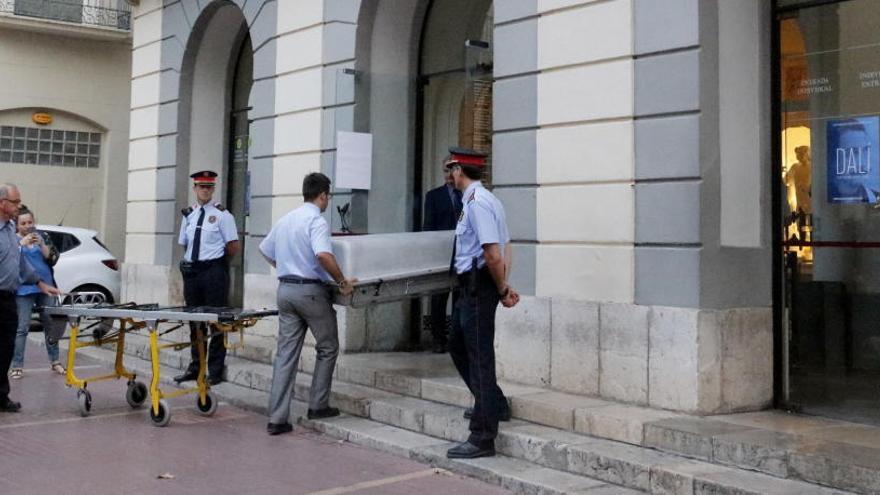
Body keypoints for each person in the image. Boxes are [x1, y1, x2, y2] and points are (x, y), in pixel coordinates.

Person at [260, 172, 356, 436]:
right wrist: (341, 281)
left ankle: (277, 419)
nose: (327, 200)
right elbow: (323, 254)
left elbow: (265, 250)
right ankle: (318, 404)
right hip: (310, 293)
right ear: (323, 195)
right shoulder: (316, 221)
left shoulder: (286, 219)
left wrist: (287, 268)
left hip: (286, 290)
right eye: (328, 196)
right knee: (327, 346)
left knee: (286, 355)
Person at [445, 148, 520, 459]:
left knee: (478, 357)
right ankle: (494, 403)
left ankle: (482, 435)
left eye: (451, 168)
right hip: (472, 286)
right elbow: (506, 245)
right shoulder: (482, 201)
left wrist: (501, 287)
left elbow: (494, 252)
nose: (449, 174)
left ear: (461, 170)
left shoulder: (477, 204)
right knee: (458, 346)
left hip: (479, 285)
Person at [174, 171, 240, 386]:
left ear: (213, 189)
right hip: (193, 273)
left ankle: (215, 370)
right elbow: (185, 243)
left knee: (216, 321)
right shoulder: (188, 215)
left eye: (208, 187)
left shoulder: (223, 215)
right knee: (195, 322)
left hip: (214, 272)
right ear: (195, 189)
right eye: (201, 186)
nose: (205, 190)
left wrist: (215, 263)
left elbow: (233, 246)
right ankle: (196, 367)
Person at [0, 184, 61, 412]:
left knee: (6, 347)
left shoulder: (8, 229)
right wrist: (20, 243)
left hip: (7, 297)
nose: (18, 206)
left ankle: (1, 396)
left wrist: (41, 283)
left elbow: (20, 263)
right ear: (2, 203)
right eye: (15, 202)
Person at [9, 205, 63, 379]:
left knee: (50, 324)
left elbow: (52, 259)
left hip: (46, 286)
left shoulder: (43, 236)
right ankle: (17, 365)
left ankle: (55, 360)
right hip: (24, 288)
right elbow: (9, 260)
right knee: (22, 328)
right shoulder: (12, 239)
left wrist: (42, 245)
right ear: (17, 225)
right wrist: (20, 244)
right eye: (23, 223)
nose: (27, 226)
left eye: (30, 222)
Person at [423, 156, 464, 353]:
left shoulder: (467, 196)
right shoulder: (433, 196)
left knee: (459, 298)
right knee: (439, 298)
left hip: (462, 255)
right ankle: (438, 339)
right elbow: (428, 228)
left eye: (452, 170)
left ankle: (457, 338)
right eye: (446, 170)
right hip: (439, 255)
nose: (449, 175)